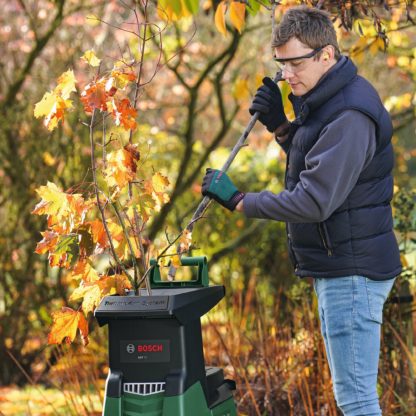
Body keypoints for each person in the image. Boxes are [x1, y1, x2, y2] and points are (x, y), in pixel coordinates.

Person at [201, 5, 402, 416]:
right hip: (342, 268)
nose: (287, 75)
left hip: (353, 272)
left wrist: (241, 201)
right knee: (353, 396)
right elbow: (319, 162)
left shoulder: (349, 114)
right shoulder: (327, 100)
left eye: (295, 63)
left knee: (357, 399)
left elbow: (314, 200)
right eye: (281, 65)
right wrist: (280, 125)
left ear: (326, 54)